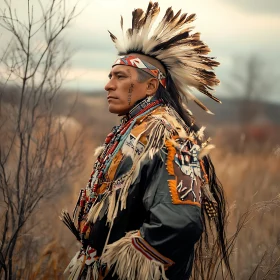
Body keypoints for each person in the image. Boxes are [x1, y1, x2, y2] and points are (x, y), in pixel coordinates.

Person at [61, 2, 233, 280]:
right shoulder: (135, 128)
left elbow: (181, 223)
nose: (108, 85)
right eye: (109, 77)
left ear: (151, 86)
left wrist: (124, 266)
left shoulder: (169, 137)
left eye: (120, 76)